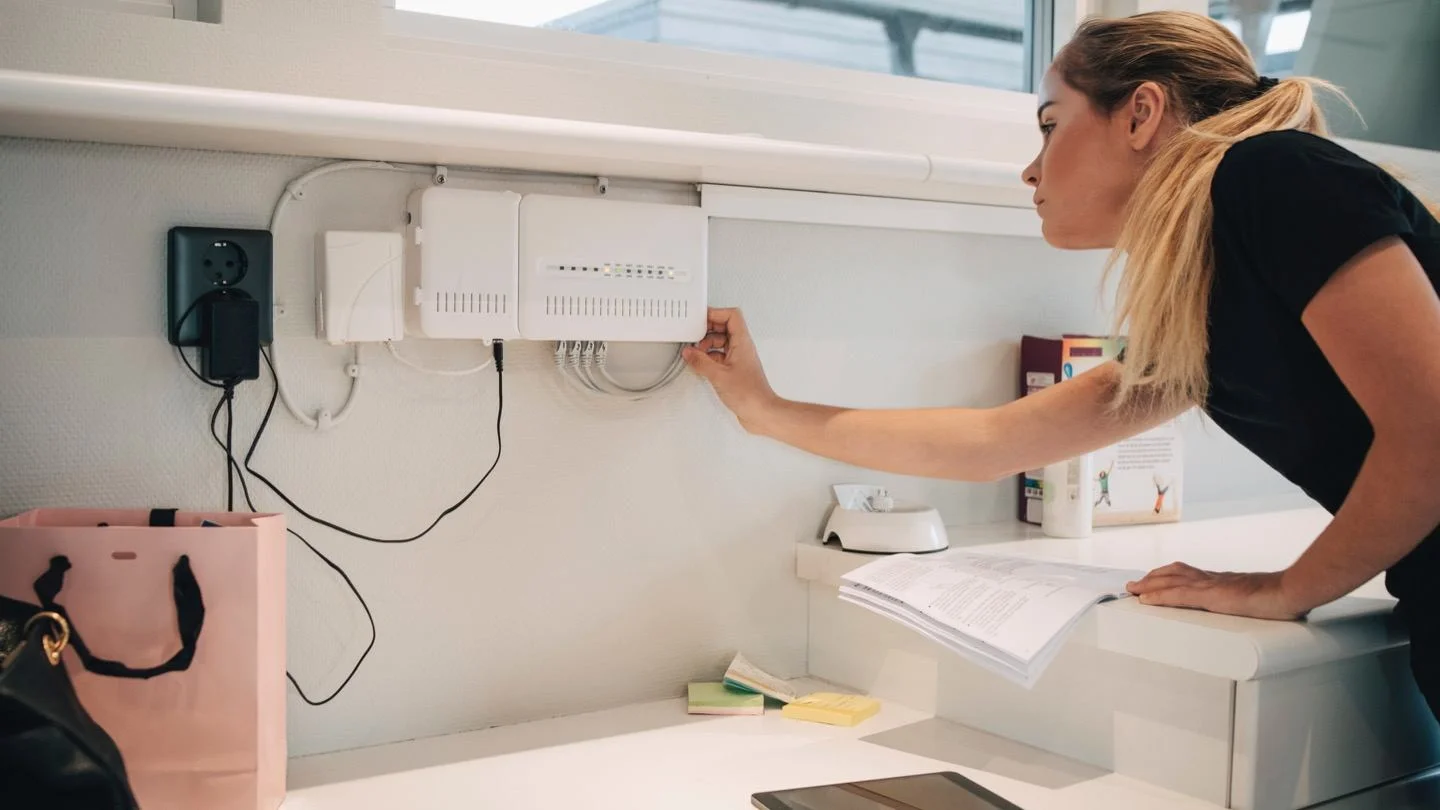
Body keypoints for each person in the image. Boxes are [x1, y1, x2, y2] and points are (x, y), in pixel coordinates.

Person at [682, 10, 1440, 722]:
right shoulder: (1205, 292)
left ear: (1141, 114)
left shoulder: (1273, 175)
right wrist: (764, 409)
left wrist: (1286, 590)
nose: (1031, 170)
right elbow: (993, 444)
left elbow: (1431, 433)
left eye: (1051, 126)